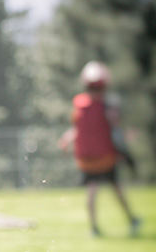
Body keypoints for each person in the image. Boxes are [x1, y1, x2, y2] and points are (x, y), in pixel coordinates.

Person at [58, 61, 141, 237]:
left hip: (87, 158)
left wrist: (66, 139)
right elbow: (115, 128)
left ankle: (94, 228)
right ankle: (131, 220)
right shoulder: (107, 105)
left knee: (92, 190)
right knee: (115, 189)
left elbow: (77, 128)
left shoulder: (80, 104)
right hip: (105, 157)